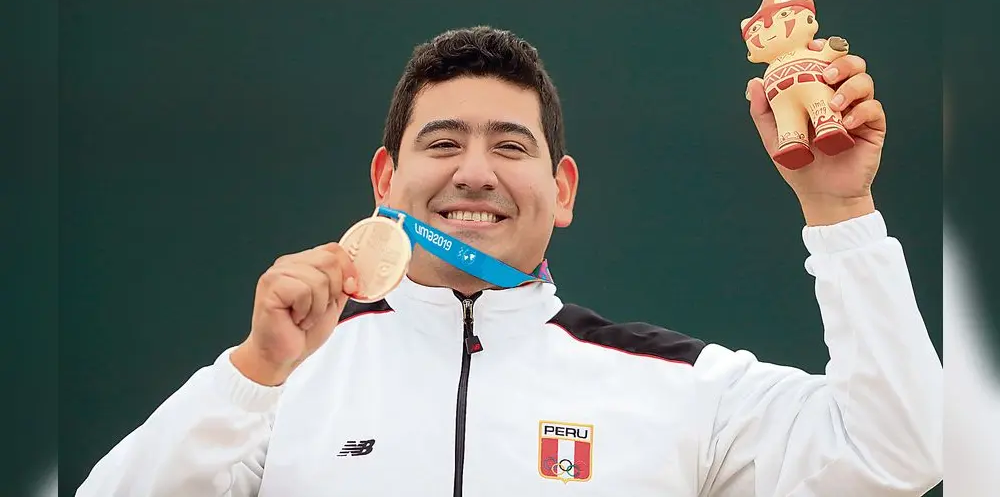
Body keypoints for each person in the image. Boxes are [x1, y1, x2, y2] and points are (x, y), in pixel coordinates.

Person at [75, 26, 943, 496]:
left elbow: (902, 451)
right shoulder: (285, 383)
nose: (475, 172)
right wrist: (253, 374)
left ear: (562, 191)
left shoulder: (679, 385)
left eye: (510, 145)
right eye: (442, 142)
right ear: (385, 182)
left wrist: (841, 212)